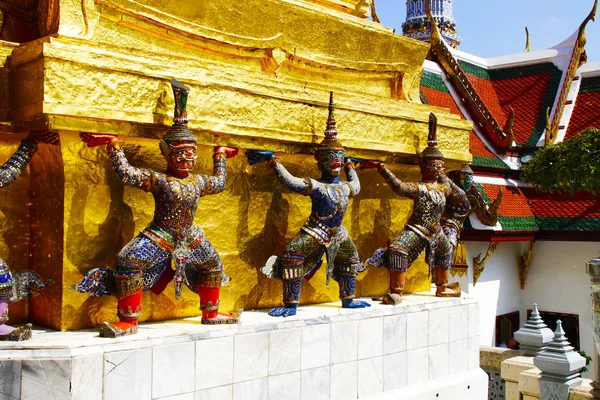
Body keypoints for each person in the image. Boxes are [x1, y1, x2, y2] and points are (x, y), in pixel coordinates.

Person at [74, 80, 240, 337]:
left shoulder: (198, 181)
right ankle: (128, 320)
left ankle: (210, 312)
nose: (187, 159)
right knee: (128, 262)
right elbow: (127, 174)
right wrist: (113, 144)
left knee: (213, 265)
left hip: (190, 236)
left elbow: (219, 183)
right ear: (167, 154)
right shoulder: (159, 179)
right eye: (181, 154)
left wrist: (220, 155)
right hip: (160, 235)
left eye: (191, 154)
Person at [246, 92, 370, 317]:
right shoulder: (315, 185)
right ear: (321, 162)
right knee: (293, 254)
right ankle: (290, 303)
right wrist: (273, 161)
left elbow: (357, 185)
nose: (335, 164)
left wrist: (351, 166)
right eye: (331, 160)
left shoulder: (344, 187)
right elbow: (290, 182)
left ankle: (348, 299)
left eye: (339, 160)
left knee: (351, 258)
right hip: (315, 230)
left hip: (338, 233)